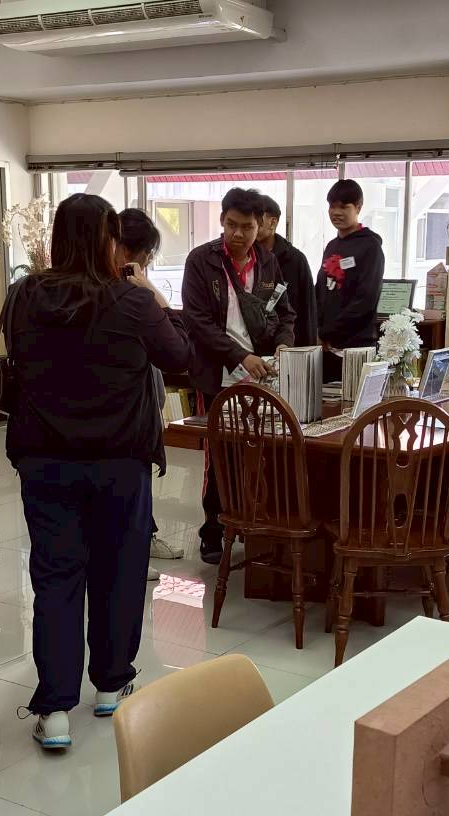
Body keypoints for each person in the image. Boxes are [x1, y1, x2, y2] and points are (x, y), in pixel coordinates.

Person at [5, 194, 189, 750]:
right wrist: (148, 293)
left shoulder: (24, 295)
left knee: (56, 578)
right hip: (119, 463)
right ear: (111, 241)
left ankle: (55, 709)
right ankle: (111, 685)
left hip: (45, 462)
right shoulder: (131, 302)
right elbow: (179, 358)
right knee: (119, 572)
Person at [182, 187, 296, 565]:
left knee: (259, 452)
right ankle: (212, 530)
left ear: (260, 226)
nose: (238, 233)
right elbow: (197, 321)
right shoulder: (202, 261)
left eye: (247, 227)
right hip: (218, 375)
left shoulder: (268, 262)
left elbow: (283, 312)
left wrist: (283, 344)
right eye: (231, 224)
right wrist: (239, 356)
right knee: (219, 456)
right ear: (221, 221)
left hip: (261, 374)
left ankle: (250, 523)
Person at [117, 208, 185, 575]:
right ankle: (133, 549)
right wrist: (152, 292)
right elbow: (179, 350)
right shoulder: (130, 296)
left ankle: (142, 539)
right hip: (125, 422)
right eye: (146, 255)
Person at [316, 178, 385, 381]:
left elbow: (365, 300)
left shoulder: (370, 247)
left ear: (358, 207)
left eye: (344, 207)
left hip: (356, 348)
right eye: (332, 206)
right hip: (326, 347)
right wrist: (316, 331)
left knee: (352, 399)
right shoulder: (331, 246)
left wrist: (327, 332)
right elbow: (320, 291)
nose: (336, 212)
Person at [254, 192, 317, 346]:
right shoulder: (244, 256)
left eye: (258, 219)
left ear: (273, 222)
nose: (252, 224)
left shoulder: (296, 260)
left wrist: (307, 348)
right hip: (252, 347)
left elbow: (307, 310)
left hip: (288, 344)